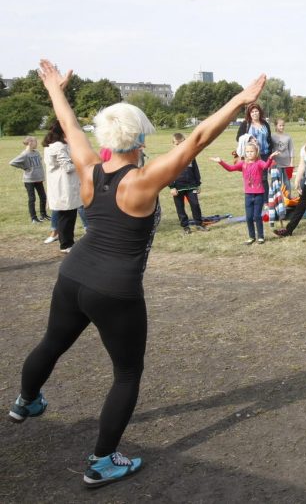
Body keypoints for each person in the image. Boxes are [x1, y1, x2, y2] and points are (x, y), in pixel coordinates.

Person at [9, 59, 266, 488]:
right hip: (114, 289)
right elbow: (198, 138)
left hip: (73, 274)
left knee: (52, 343)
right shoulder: (142, 180)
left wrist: (55, 88)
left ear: (107, 137)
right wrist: (240, 99)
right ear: (141, 137)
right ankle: (103, 461)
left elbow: (70, 126)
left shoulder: (90, 166)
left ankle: (25, 402)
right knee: (127, 374)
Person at [212, 143, 279, 245]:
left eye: (252, 151)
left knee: (257, 216)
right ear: (245, 153)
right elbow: (230, 168)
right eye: (247, 152)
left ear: (256, 152)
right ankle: (251, 237)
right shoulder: (242, 163)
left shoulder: (259, 162)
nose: (249, 153)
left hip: (259, 194)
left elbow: (265, 166)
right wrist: (220, 161)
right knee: (248, 217)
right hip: (248, 195)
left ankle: (260, 237)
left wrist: (270, 158)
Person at [43, 120, 82, 252]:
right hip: (64, 185)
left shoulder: (52, 145)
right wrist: (80, 163)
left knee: (66, 215)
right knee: (67, 215)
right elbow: (67, 167)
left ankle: (67, 241)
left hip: (60, 184)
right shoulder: (59, 146)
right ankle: (66, 244)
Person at [168, 133, 206, 234]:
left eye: (181, 144)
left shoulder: (190, 155)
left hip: (191, 185)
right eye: (177, 144)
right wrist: (172, 187)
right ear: (173, 144)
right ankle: (185, 226)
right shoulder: (170, 157)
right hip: (178, 187)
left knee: (195, 204)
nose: (179, 146)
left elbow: (195, 170)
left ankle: (199, 224)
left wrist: (198, 184)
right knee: (180, 207)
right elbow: (168, 173)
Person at [10, 136, 50, 224]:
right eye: (35, 142)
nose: (37, 143)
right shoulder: (25, 154)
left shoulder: (37, 153)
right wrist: (25, 167)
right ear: (30, 143)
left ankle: (43, 215)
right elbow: (12, 162)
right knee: (32, 199)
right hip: (29, 180)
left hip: (38, 179)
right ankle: (34, 218)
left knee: (43, 197)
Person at [271, 118, 295, 193]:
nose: (282, 127)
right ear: (276, 126)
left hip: (287, 163)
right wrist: (271, 162)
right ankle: (278, 199)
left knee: (287, 181)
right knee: (278, 181)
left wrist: (291, 162)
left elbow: (291, 149)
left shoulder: (288, 137)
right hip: (276, 163)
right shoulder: (272, 136)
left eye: (283, 125)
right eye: (280, 125)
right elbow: (270, 149)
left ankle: (288, 197)